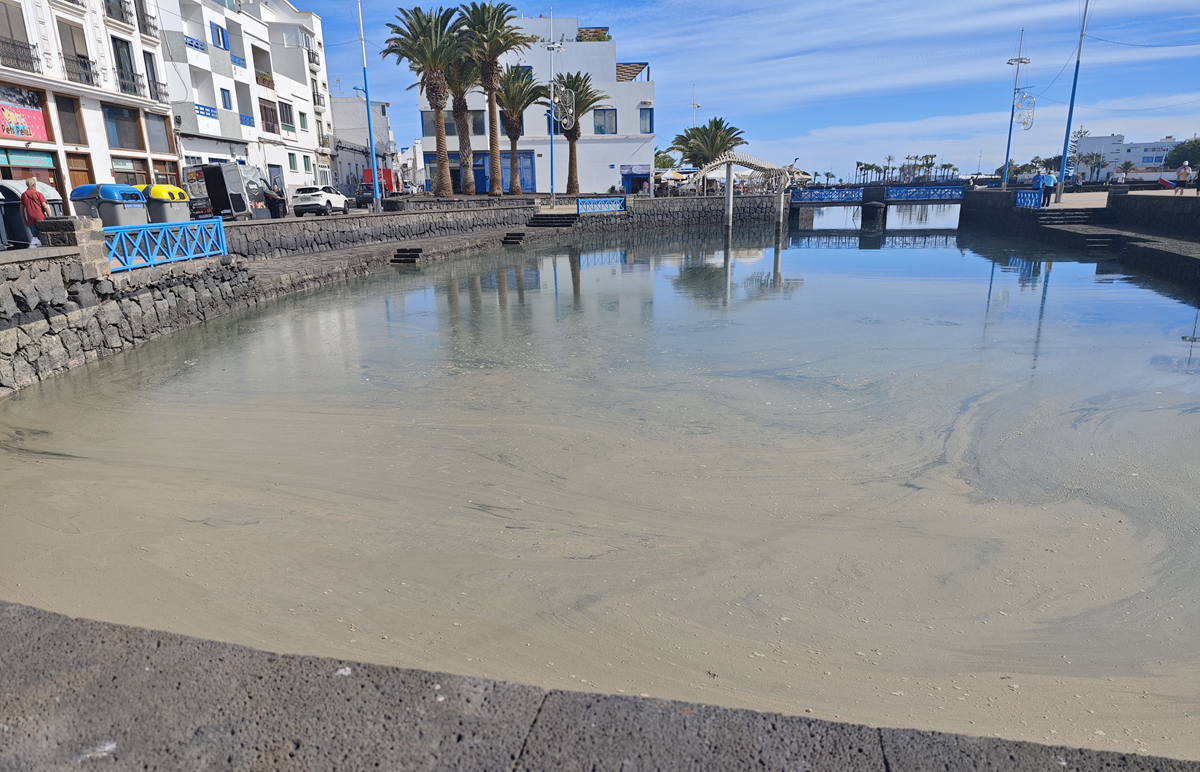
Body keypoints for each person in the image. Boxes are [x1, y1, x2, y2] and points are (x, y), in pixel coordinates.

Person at [20, 177, 50, 248]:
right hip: (40, 216)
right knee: (43, 232)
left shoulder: (24, 195)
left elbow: (21, 209)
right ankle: (37, 244)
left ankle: (34, 244)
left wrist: (24, 220)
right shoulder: (38, 194)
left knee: (34, 232)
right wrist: (49, 216)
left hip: (30, 217)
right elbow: (45, 206)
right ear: (34, 185)